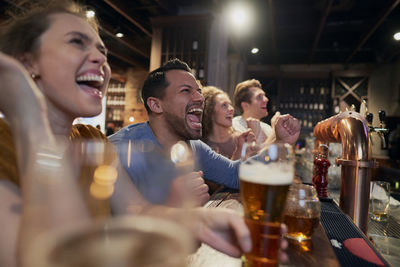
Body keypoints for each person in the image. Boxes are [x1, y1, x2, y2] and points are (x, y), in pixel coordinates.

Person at [0, 2, 254, 266]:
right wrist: (31, 118)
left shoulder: (92, 139)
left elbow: (139, 211)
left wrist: (199, 219)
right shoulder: (4, 144)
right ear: (27, 62)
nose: (101, 60)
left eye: (102, 51)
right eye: (77, 42)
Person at [110, 59, 301, 204]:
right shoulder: (117, 151)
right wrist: (173, 205)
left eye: (199, 91)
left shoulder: (193, 147)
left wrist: (280, 142)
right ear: (156, 105)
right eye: (186, 90)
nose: (200, 98)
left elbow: (236, 174)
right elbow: (102, 228)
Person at [233, 79, 300, 145]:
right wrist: (275, 130)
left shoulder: (267, 127)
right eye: (259, 97)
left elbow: (275, 153)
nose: (266, 99)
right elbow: (250, 154)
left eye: (264, 96)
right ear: (245, 106)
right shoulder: (235, 126)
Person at [202, 86, 255, 160]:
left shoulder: (241, 139)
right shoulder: (202, 146)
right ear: (209, 111)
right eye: (224, 105)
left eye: (230, 105)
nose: (231, 109)